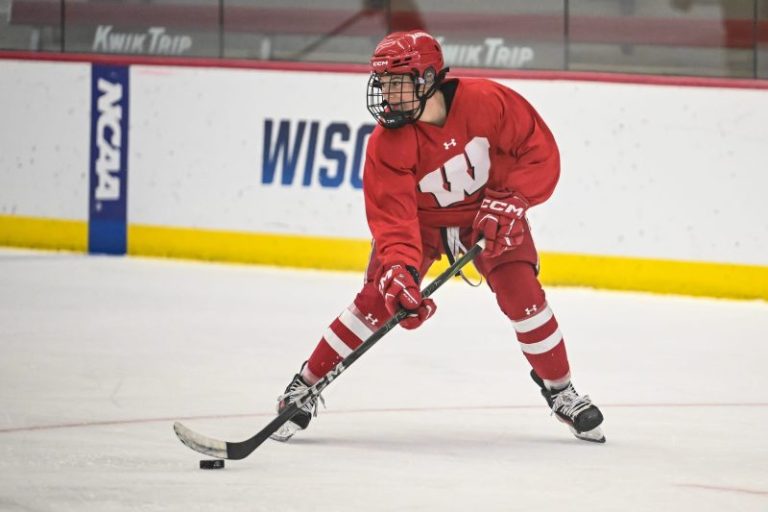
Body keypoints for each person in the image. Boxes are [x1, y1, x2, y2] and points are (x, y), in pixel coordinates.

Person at [270, 30, 605, 444]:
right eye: (383, 84)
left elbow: (538, 151)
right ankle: (304, 385)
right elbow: (393, 219)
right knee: (375, 301)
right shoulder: (386, 144)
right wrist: (399, 270)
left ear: (428, 78)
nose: (388, 95)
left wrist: (513, 198)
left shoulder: (488, 102)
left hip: (486, 214)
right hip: (422, 227)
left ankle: (562, 391)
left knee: (524, 294)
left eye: (398, 82)